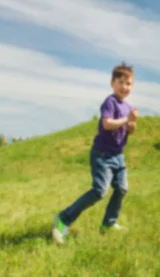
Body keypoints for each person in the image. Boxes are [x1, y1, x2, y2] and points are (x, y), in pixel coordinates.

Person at [52, 62, 138, 244]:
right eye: (121, 82)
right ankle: (63, 218)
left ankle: (108, 223)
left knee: (122, 189)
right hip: (103, 155)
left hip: (118, 156)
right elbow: (107, 124)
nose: (125, 87)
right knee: (99, 191)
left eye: (129, 83)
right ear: (112, 83)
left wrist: (131, 125)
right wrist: (126, 120)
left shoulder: (128, 107)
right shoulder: (110, 102)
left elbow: (129, 130)